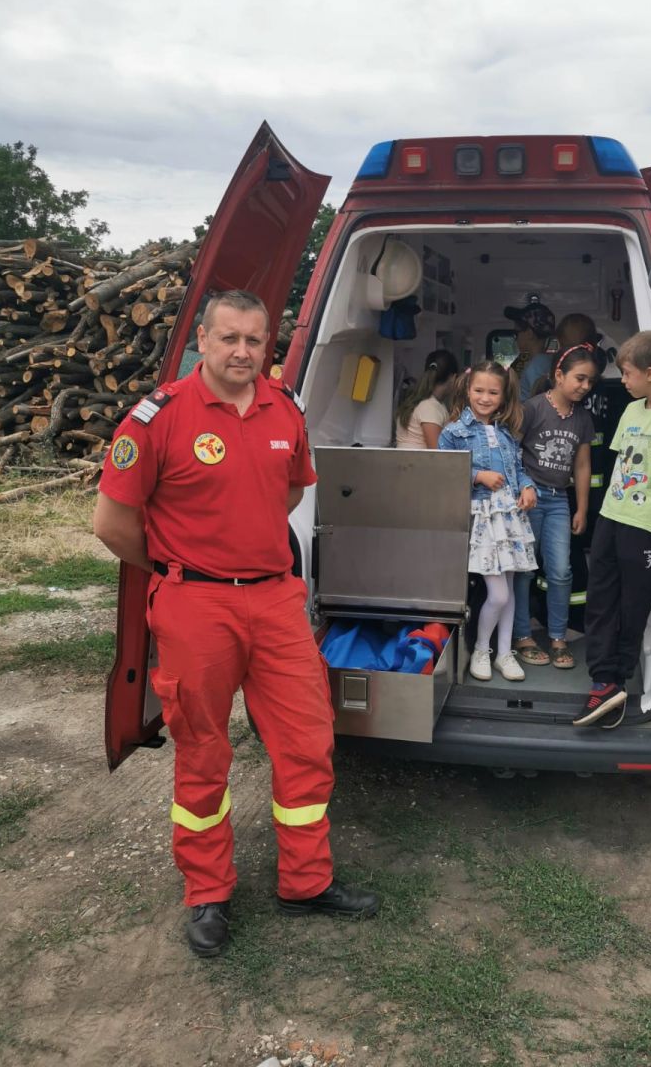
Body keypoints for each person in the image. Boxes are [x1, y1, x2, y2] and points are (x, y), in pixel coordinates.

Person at [93, 289, 378, 958]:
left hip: (275, 600)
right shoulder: (158, 417)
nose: (243, 352)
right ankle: (208, 891)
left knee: (307, 742)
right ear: (203, 340)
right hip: (195, 605)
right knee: (203, 749)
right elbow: (111, 523)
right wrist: (175, 564)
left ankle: (305, 882)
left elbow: (292, 487)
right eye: (229, 338)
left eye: (255, 340)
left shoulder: (285, 408)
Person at [574, 331, 651, 728]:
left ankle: (619, 678)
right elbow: (619, 466)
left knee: (632, 606)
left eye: (627, 373)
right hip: (612, 516)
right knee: (600, 599)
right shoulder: (631, 410)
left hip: (645, 526)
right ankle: (601, 679)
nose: (622, 380)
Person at [438, 361, 537, 682]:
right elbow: (442, 471)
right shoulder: (453, 432)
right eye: (479, 390)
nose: (485, 398)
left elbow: (517, 470)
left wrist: (528, 487)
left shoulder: (506, 433)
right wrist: (478, 475)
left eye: (493, 392)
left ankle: (504, 653)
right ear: (467, 390)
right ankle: (482, 649)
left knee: (509, 590)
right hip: (481, 519)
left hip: (509, 519)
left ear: (503, 396)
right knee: (499, 595)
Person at [512, 345, 600, 669]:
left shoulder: (582, 418)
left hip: (559, 499)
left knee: (561, 571)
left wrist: (582, 509)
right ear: (559, 375)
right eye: (580, 378)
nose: (585, 386)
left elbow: (582, 466)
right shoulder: (532, 408)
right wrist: (521, 489)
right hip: (529, 499)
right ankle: (523, 635)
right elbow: (511, 453)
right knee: (525, 570)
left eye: (590, 381)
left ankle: (558, 638)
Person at [395, 349, 458, 448]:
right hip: (417, 458)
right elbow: (437, 451)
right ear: (453, 378)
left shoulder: (420, 401)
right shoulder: (430, 407)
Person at [504, 300, 556, 401]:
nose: (515, 339)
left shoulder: (538, 365)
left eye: (517, 333)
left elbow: (539, 403)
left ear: (529, 333)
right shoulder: (539, 361)